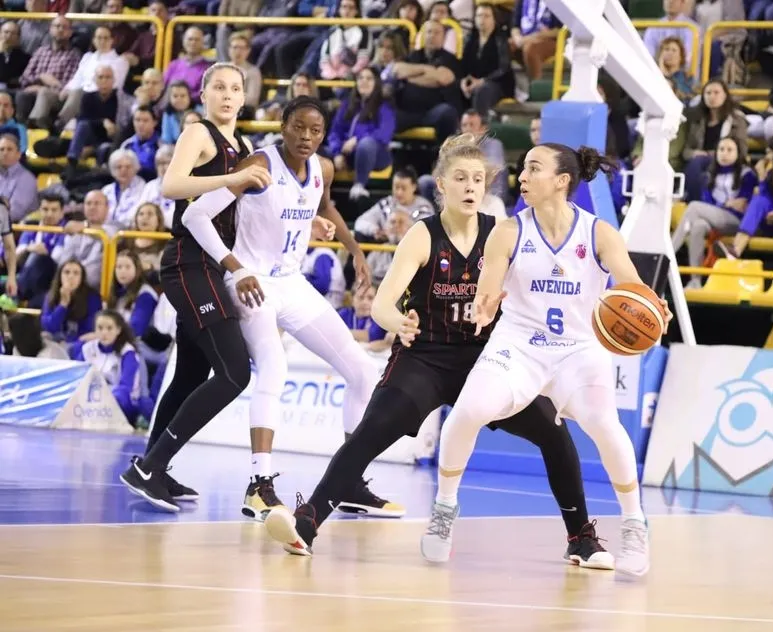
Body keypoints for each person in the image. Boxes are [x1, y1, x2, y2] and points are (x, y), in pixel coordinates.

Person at [261, 134, 617, 573]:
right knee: (370, 432)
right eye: (461, 178)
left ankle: (581, 538)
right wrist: (397, 322)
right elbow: (386, 304)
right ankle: (306, 524)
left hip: (489, 360)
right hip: (425, 356)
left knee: (555, 434)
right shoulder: (422, 235)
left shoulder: (505, 233)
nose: (471, 186)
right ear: (441, 186)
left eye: (479, 179)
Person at [418, 143, 673, 577]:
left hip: (578, 350)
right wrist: (483, 306)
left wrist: (652, 309)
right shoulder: (508, 232)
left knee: (603, 424)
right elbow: (488, 290)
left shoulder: (599, 234)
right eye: (523, 167)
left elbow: (633, 290)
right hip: (520, 346)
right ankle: (444, 510)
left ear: (561, 181)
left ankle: (634, 522)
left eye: (533, 168)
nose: (521, 176)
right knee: (468, 411)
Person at [177, 96, 393, 521]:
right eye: (299, 128)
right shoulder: (259, 165)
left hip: (291, 282)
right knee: (274, 368)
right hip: (251, 281)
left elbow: (325, 203)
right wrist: (236, 269)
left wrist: (354, 248)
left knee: (363, 370)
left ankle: (348, 480)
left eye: (316, 131)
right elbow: (195, 217)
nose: (307, 137)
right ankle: (259, 485)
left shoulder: (323, 168)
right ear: (283, 126)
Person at [119, 62, 269, 513]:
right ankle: (149, 468)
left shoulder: (246, 146)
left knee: (190, 375)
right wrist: (230, 178)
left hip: (214, 265)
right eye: (218, 87)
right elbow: (171, 185)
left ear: (244, 98)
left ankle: (153, 465)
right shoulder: (198, 134)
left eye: (235, 89)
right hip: (188, 263)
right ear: (204, 95)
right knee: (235, 373)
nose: (227, 95)